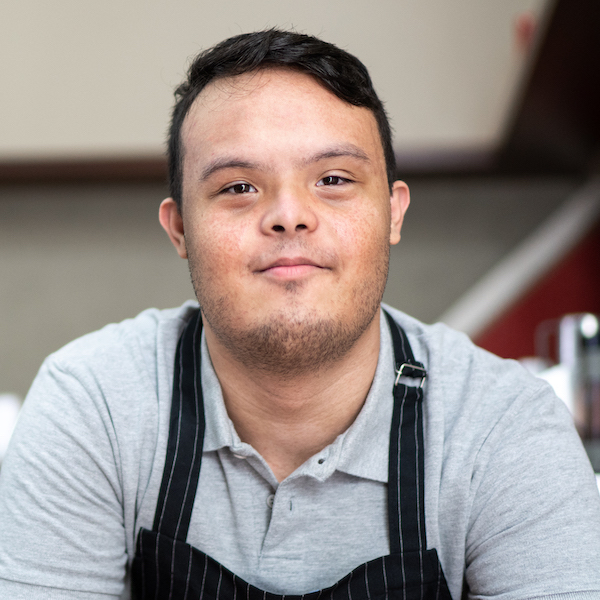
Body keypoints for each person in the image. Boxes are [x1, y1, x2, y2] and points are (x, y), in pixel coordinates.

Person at [0, 29, 599, 600]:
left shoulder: (504, 426)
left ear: (393, 213)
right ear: (180, 227)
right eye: (239, 188)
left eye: (333, 179)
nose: (290, 216)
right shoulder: (96, 404)